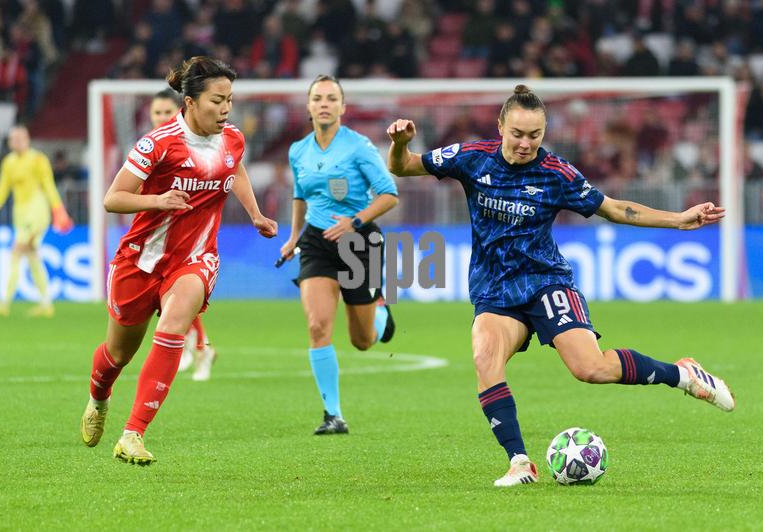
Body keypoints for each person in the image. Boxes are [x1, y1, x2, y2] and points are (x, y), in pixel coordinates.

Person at [386, 85, 735, 487]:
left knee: (590, 368)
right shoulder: (472, 157)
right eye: (517, 133)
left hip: (546, 282)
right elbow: (403, 167)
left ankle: (683, 375)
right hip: (496, 291)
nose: (525, 143)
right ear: (500, 127)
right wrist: (400, 144)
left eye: (534, 135)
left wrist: (678, 219)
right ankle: (520, 462)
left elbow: (613, 208)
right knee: (485, 359)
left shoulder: (557, 174)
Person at [79, 56, 278, 465]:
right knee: (118, 355)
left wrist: (255, 213)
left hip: (195, 258)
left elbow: (236, 169)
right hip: (141, 260)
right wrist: (158, 200)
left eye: (229, 100)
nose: (226, 109)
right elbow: (113, 198)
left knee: (173, 326)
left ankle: (132, 434)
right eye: (217, 101)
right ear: (190, 102)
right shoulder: (158, 143)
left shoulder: (232, 139)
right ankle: (98, 398)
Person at [280, 75, 398, 435]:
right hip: (317, 242)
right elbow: (300, 195)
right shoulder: (298, 150)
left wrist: (354, 222)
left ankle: (379, 312)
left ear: (343, 107)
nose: (324, 104)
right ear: (309, 106)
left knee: (362, 341)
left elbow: (389, 194)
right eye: (318, 98)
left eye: (332, 98)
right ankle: (333, 414)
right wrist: (293, 236)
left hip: (359, 243)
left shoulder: (359, 147)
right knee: (317, 326)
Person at [149, 88, 217, 381]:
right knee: (171, 300)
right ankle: (196, 346)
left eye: (167, 112)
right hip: (157, 236)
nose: (162, 117)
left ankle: (199, 348)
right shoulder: (149, 147)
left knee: (178, 297)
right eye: (157, 113)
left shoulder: (193, 146)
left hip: (187, 237)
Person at [0, 125, 73, 317]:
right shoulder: (8, 163)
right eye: (14, 139)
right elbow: (2, 189)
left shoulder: (38, 160)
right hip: (20, 214)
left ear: (27, 139)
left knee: (16, 251)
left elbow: (49, 186)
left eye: (21, 138)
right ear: (10, 142)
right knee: (32, 256)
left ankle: (4, 302)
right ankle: (46, 304)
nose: (17, 142)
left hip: (37, 212)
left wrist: (59, 211)